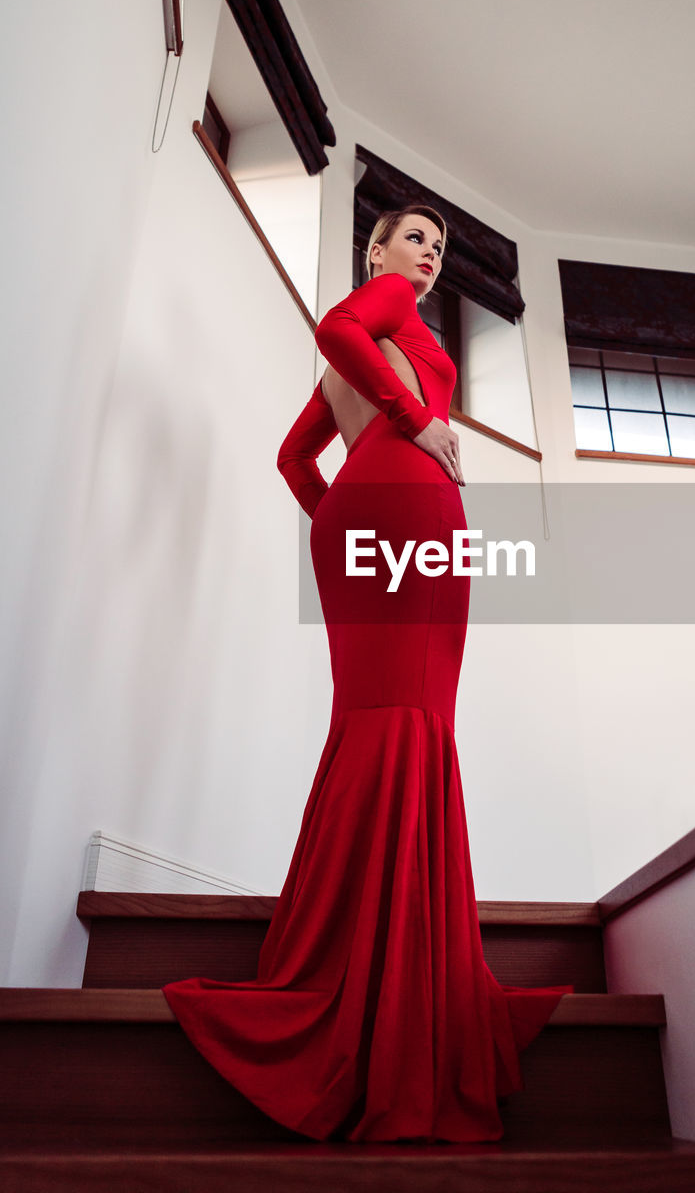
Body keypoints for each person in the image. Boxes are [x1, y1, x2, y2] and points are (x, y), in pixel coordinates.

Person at [163, 206, 572, 1143]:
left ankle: (363, 948)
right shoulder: (380, 311)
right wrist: (417, 422)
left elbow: (292, 457)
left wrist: (332, 518)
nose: (427, 256)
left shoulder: (377, 344)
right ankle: (398, 963)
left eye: (437, 247)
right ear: (376, 250)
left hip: (364, 514)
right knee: (412, 716)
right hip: (407, 507)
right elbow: (335, 326)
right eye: (412, 240)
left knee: (384, 714)